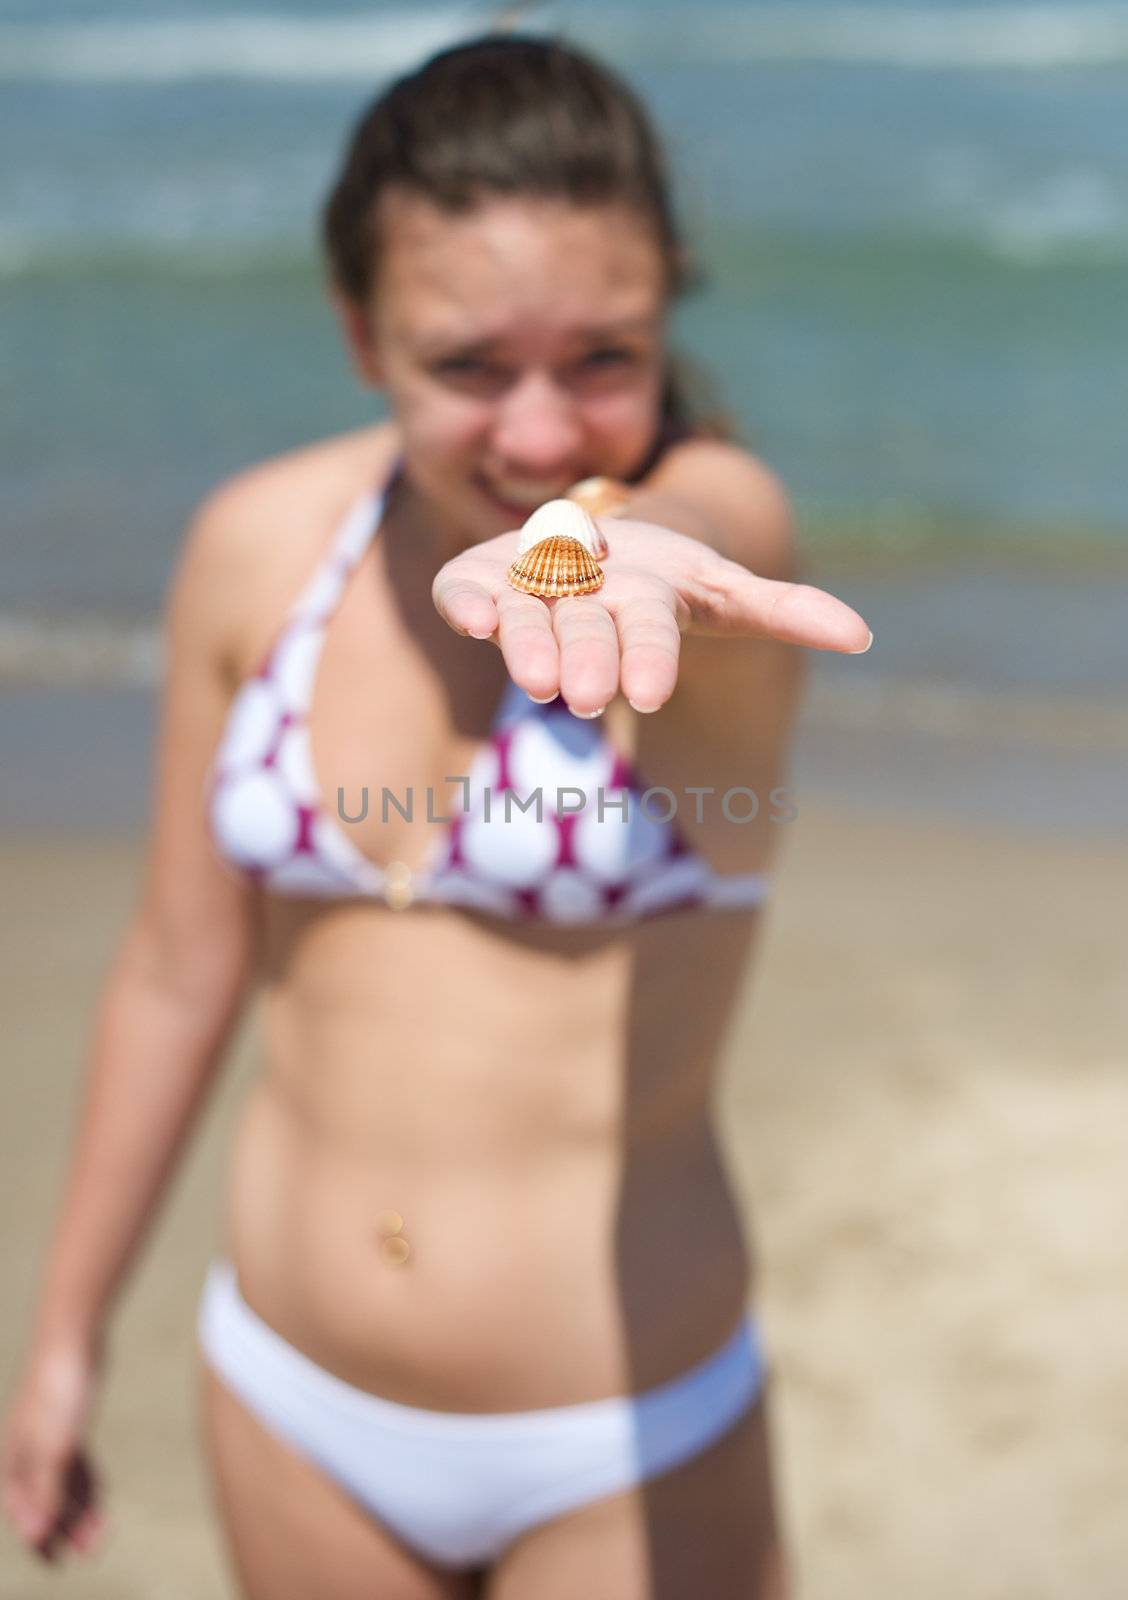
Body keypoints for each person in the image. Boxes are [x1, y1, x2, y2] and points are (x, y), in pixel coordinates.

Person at [0, 33, 869, 1600]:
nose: (540, 437)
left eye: (604, 358)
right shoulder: (258, 550)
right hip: (288, 1406)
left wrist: (608, 539)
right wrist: (65, 1334)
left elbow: (692, 524)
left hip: (623, 1446)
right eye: (468, 366)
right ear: (358, 335)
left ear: (668, 310)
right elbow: (176, 969)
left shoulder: (707, 571)